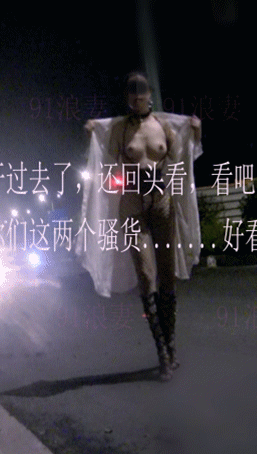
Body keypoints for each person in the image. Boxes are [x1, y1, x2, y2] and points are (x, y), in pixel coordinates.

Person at [80, 72, 202, 381]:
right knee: (146, 277)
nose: (137, 95)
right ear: (127, 97)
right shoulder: (120, 129)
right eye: (132, 91)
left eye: (142, 90)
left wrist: (196, 133)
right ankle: (162, 353)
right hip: (132, 204)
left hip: (162, 201)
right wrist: (91, 135)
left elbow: (183, 155)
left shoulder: (163, 126)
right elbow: (103, 158)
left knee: (167, 275)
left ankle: (171, 345)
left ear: (149, 94)